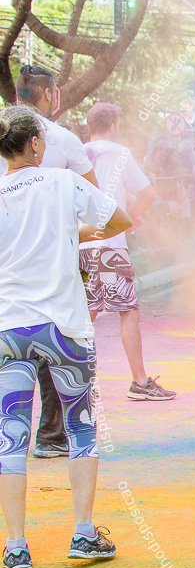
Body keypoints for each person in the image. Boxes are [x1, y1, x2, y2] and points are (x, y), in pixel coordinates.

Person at [0, 106, 133, 568]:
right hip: (65, 328)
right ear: (35, 144)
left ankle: (16, 547)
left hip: (9, 329)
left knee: (10, 436)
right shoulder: (62, 182)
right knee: (80, 428)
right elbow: (118, 220)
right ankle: (83, 534)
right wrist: (73, 235)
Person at [9, 65, 101, 459]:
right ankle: (51, 437)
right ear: (49, 96)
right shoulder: (59, 138)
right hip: (53, 266)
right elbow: (97, 202)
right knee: (56, 337)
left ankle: (13, 438)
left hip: (5, 265)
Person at [80, 102, 175, 400]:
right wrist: (128, 220)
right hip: (110, 246)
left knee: (86, 312)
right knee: (128, 310)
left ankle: (78, 385)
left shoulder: (78, 153)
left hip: (82, 244)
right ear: (114, 125)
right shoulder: (120, 154)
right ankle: (140, 382)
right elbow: (148, 194)